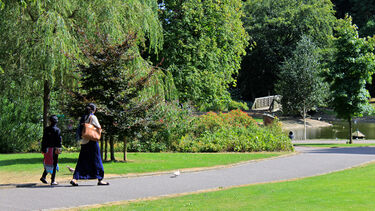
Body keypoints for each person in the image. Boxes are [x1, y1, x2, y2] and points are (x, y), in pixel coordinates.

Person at [70, 103, 109, 186]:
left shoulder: (83, 117)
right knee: (97, 160)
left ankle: (75, 179)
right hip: (92, 141)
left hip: (84, 141)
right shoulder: (93, 117)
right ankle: (100, 179)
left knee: (81, 160)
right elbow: (98, 127)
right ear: (93, 110)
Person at [41, 115, 62, 186]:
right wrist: (59, 148)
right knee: (54, 164)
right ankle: (53, 180)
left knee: (48, 163)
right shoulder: (57, 130)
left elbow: (44, 139)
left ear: (50, 121)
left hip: (47, 149)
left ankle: (43, 177)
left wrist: (43, 148)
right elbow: (59, 141)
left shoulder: (46, 129)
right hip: (54, 149)